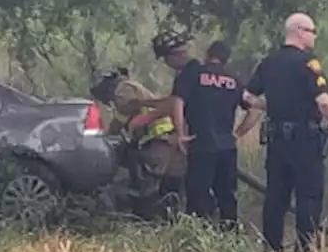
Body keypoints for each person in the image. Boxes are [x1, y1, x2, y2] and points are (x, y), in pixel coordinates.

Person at [240, 12, 328, 252]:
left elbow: (247, 98)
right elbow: (324, 102)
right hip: (305, 141)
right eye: (312, 31)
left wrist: (273, 106)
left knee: (276, 196)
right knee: (308, 195)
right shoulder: (308, 63)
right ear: (299, 31)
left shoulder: (268, 63)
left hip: (276, 141)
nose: (314, 36)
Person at [152, 33, 258, 230]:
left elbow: (178, 101)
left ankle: (198, 237)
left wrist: (180, 133)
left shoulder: (193, 74)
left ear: (208, 54)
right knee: (227, 196)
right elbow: (254, 109)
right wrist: (238, 133)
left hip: (201, 144)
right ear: (226, 59)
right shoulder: (233, 80)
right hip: (227, 147)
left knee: (198, 195)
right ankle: (230, 237)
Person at [89, 68, 186, 203]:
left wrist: (107, 135)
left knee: (152, 184)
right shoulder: (130, 86)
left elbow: (124, 115)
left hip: (156, 140)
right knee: (171, 181)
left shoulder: (121, 91)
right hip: (165, 137)